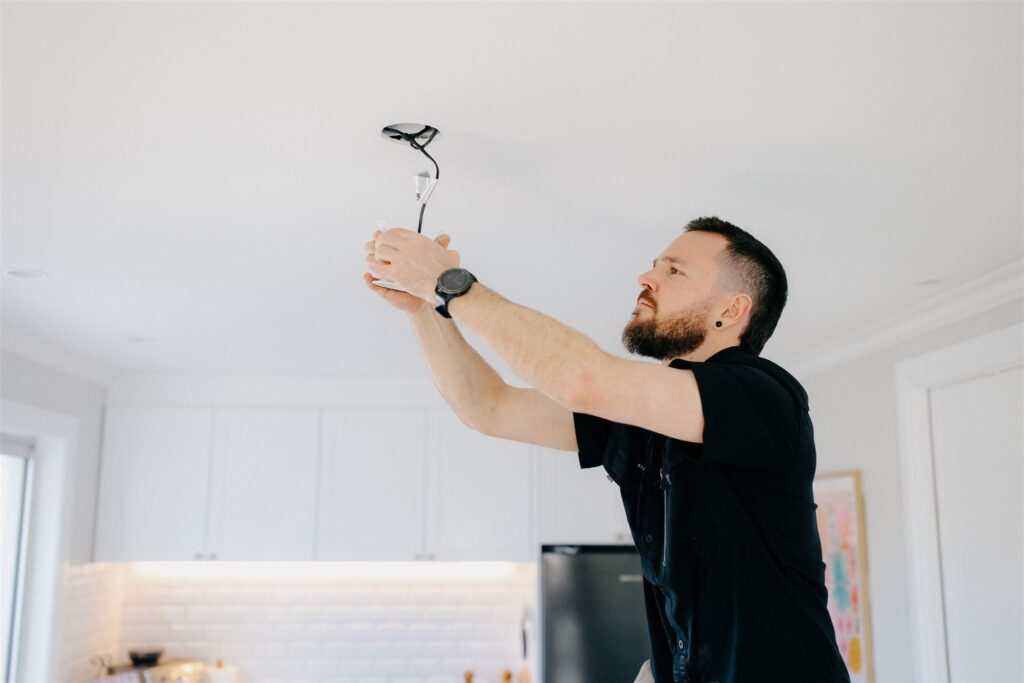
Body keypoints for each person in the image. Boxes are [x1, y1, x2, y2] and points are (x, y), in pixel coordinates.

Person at [363, 216, 850, 683]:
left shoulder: (762, 395)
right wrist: (425, 307)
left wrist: (448, 284)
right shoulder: (641, 418)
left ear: (731, 310)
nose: (646, 277)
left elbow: (583, 379)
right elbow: (488, 407)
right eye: (655, 265)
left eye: (674, 270)